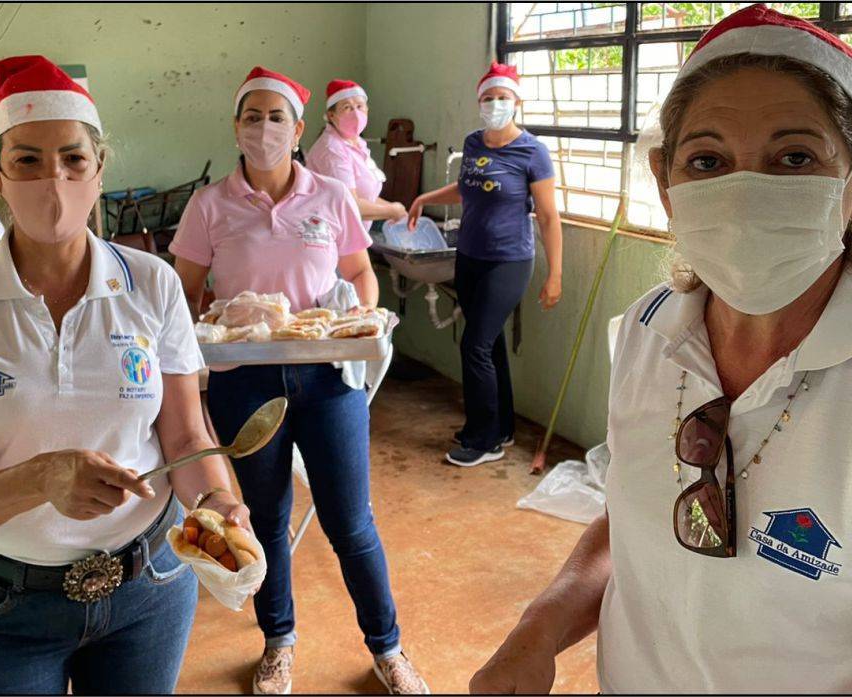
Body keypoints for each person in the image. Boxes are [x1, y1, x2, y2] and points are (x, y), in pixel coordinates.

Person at [470, 6, 852, 694]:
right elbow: (633, 519)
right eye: (707, 161)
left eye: (795, 158)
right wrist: (536, 632)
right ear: (665, 180)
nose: (743, 196)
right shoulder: (649, 332)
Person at [0, 55, 250, 695]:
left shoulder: (152, 285)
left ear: (100, 168)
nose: (53, 179)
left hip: (146, 591)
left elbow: (186, 437)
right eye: (27, 160)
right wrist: (41, 478)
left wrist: (217, 504)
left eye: (73, 159)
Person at [170, 67, 428, 695]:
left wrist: (358, 319)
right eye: (252, 116)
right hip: (244, 381)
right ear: (235, 126)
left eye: (276, 117)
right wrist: (204, 338)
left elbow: (359, 273)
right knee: (265, 518)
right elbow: (183, 294)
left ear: (298, 128)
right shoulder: (210, 205)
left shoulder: (331, 196)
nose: (264, 128)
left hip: (327, 378)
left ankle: (388, 648)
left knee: (351, 522)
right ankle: (278, 642)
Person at [408, 62, 563, 467]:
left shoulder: (532, 151)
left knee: (474, 345)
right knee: (489, 344)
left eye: (502, 97)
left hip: (508, 261)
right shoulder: (473, 143)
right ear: (479, 103)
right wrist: (425, 199)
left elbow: (549, 217)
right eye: (488, 98)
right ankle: (502, 426)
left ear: (517, 102)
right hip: (470, 256)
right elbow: (466, 188)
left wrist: (555, 275)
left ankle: (484, 440)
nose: (495, 104)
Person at [305, 79, 406, 226]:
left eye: (360, 106)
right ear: (331, 115)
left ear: (367, 110)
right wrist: (392, 211)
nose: (356, 113)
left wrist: (396, 211)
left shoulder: (357, 143)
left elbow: (365, 197)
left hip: (351, 233)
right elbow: (350, 206)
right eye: (347, 107)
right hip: (330, 234)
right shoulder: (332, 149)